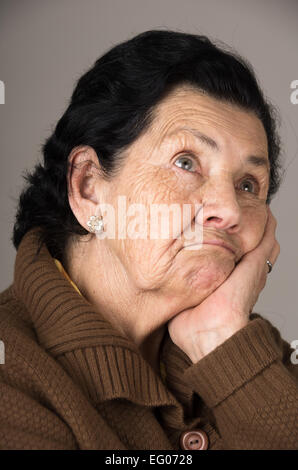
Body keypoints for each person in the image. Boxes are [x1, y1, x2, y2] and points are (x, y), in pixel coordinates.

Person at [0, 30, 297, 450]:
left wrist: (222, 343)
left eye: (249, 185)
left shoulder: (254, 352)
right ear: (88, 187)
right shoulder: (10, 381)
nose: (229, 210)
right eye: (186, 161)